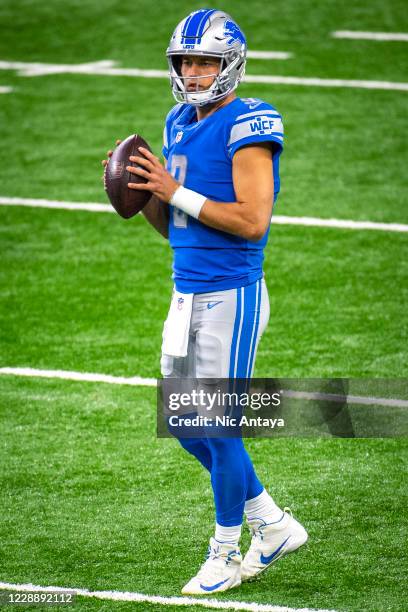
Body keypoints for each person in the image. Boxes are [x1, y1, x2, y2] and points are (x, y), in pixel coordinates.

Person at [103, 8, 307, 596]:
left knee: (217, 426)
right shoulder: (176, 120)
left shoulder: (251, 122)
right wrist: (145, 195)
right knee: (186, 423)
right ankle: (271, 523)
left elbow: (251, 221)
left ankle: (224, 550)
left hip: (232, 294)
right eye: (186, 62)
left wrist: (173, 188)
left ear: (230, 64)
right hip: (186, 291)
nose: (193, 73)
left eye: (205, 62)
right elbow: (176, 227)